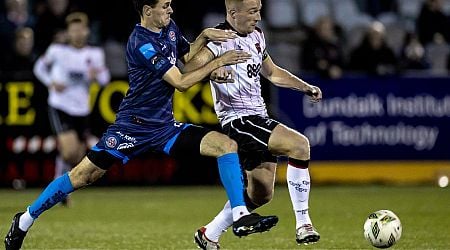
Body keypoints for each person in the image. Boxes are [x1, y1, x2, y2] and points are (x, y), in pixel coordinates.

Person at [4, 0, 278, 249]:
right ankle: (25, 219)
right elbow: (181, 82)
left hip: (164, 128)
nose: (171, 10)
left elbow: (186, 58)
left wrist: (205, 35)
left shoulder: (169, 27)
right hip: (131, 128)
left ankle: (241, 215)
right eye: (166, 5)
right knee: (81, 177)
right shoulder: (140, 43)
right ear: (148, 11)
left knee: (225, 145)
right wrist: (218, 61)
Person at [182, 0, 322, 248]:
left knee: (261, 194)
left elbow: (273, 72)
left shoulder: (257, 35)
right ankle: (304, 224)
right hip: (238, 120)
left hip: (258, 118)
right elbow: (188, 67)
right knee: (299, 145)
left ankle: (209, 234)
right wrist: (214, 68)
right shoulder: (218, 39)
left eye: (259, 11)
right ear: (233, 13)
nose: (258, 17)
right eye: (253, 12)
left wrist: (305, 87)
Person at [33, 12, 111, 206]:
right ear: (68, 32)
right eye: (73, 30)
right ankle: (58, 189)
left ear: (86, 31)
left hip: (81, 109)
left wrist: (96, 75)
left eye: (80, 29)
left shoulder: (94, 54)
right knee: (69, 152)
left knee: (75, 155)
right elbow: (39, 68)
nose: (77, 34)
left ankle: (60, 189)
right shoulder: (57, 50)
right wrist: (51, 83)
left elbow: (104, 80)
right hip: (60, 105)